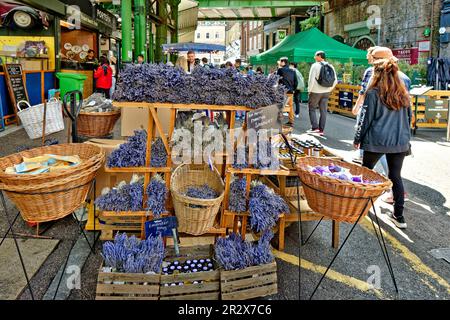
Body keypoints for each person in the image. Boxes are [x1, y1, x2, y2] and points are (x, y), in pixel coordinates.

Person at [353, 55, 412, 229]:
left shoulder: (373, 93)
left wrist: (358, 138)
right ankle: (399, 216)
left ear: (376, 74)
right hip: (399, 141)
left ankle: (361, 207)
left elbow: (365, 120)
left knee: (366, 173)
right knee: (396, 176)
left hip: (376, 140)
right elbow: (409, 119)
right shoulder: (403, 93)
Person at [307, 51, 337, 136]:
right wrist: (329, 89)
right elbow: (335, 80)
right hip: (326, 92)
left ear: (319, 56)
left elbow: (311, 80)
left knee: (312, 108)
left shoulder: (315, 66)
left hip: (315, 92)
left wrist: (309, 90)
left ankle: (314, 128)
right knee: (323, 111)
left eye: (315, 55)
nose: (314, 57)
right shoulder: (330, 66)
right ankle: (321, 130)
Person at [277, 57, 298, 125]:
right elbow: (296, 82)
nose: (280, 63)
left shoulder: (280, 70)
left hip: (282, 91)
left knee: (280, 106)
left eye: (280, 62)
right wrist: (293, 89)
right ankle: (291, 121)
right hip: (290, 91)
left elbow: (277, 80)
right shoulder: (293, 70)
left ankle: (279, 121)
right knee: (290, 106)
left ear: (283, 62)